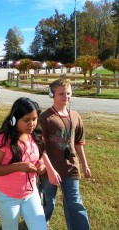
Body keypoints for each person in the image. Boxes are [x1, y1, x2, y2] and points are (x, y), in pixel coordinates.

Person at [0, 97, 60, 230]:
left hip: (30, 194)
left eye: (34, 119)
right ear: (14, 120)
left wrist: (41, 166)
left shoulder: (36, 135)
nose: (32, 124)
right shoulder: (2, 140)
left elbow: (39, 158)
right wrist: (18, 167)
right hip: (7, 197)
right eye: (26, 120)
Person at [39, 78, 91, 230]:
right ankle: (41, 223)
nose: (65, 97)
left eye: (68, 93)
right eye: (61, 93)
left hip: (70, 167)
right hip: (49, 169)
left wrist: (85, 164)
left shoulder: (75, 116)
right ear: (52, 94)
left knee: (74, 201)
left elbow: (79, 143)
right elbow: (40, 146)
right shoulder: (45, 118)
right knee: (49, 200)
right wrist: (49, 170)